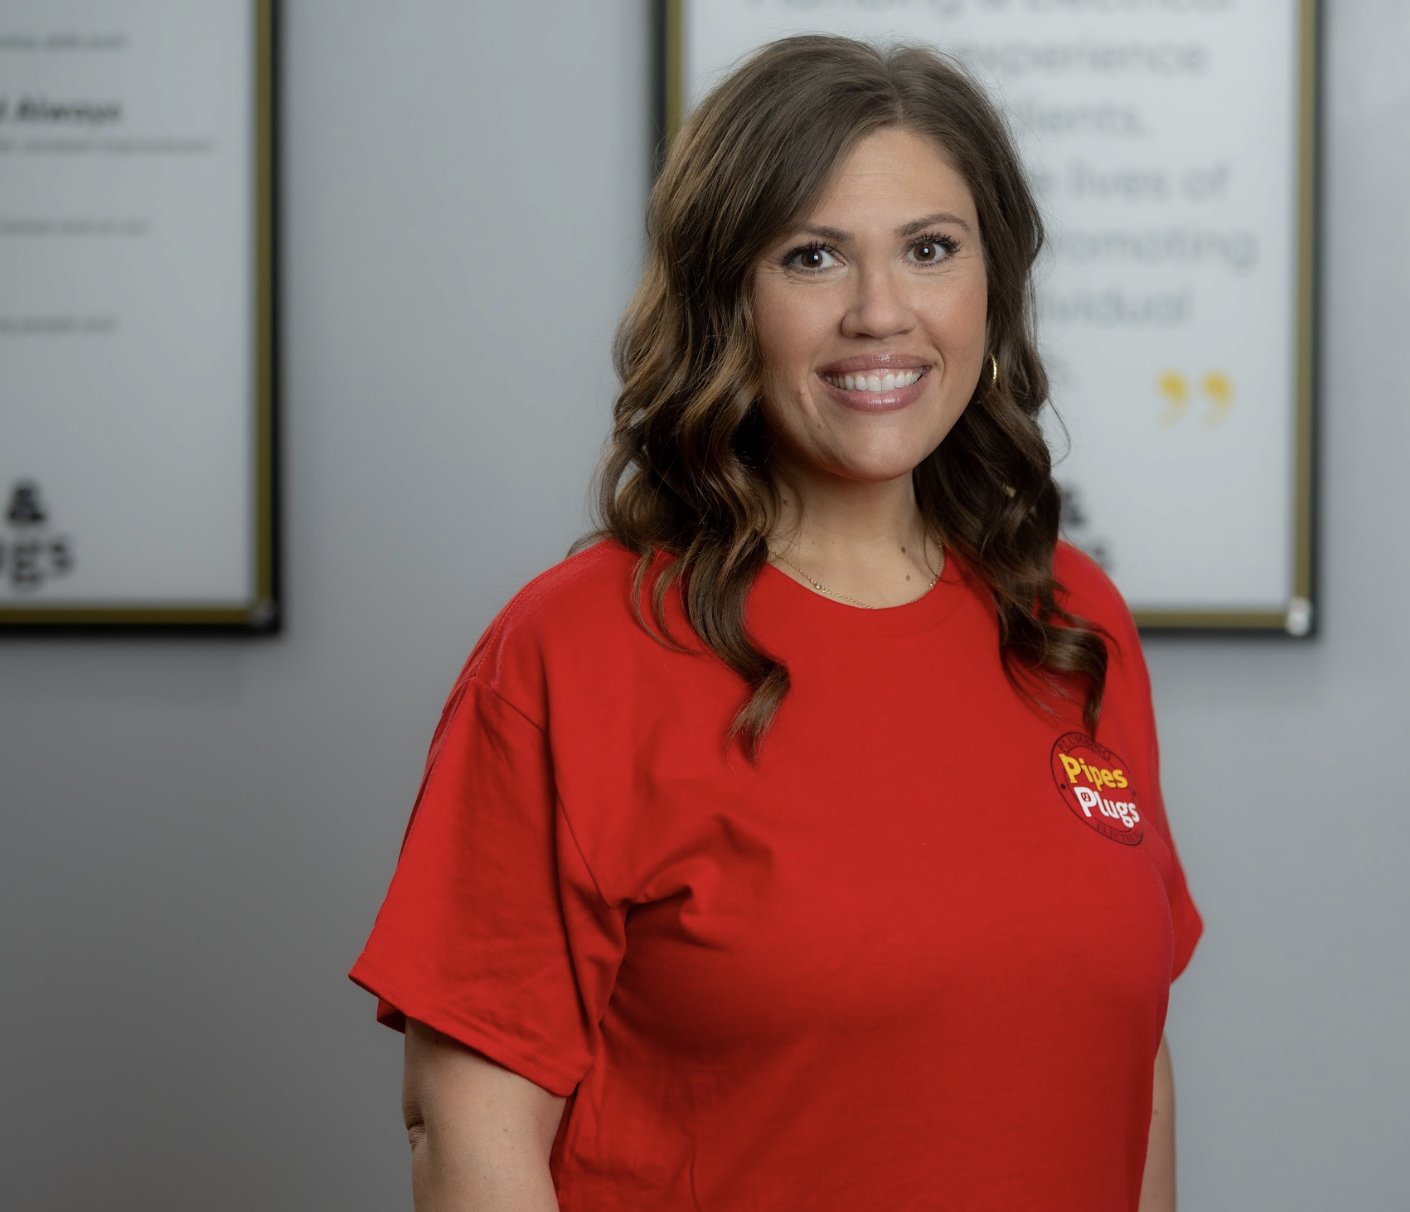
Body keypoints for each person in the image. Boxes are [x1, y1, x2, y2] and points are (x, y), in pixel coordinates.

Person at [351, 34, 1201, 1212]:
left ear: (991, 286)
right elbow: (468, 1126)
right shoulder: (573, 654)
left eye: (930, 249)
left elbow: (1126, 1062)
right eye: (813, 257)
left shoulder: (1070, 619)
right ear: (725, 298)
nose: (881, 312)